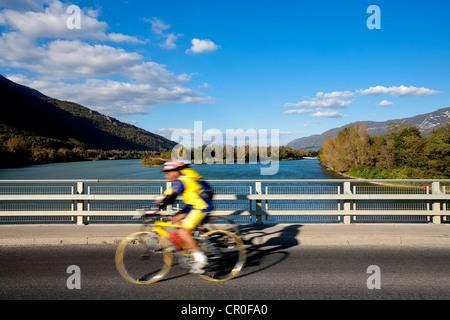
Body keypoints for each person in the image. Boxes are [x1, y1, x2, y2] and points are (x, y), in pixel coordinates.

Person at [156, 160, 213, 274]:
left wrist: (158, 208)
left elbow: (171, 198)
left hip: (201, 206)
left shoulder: (183, 180)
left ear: (176, 172)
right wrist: (162, 197)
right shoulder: (179, 179)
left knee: (184, 232)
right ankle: (187, 244)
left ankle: (200, 259)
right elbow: (171, 191)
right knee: (175, 219)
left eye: (167, 172)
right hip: (193, 205)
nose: (165, 175)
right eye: (165, 172)